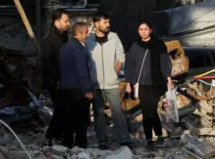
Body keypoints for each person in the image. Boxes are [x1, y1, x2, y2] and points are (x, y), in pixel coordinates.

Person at [124, 21, 173, 150]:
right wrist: (128, 83)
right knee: (147, 112)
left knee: (151, 110)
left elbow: (165, 62)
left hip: (156, 83)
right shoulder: (135, 47)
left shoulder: (159, 45)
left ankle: (157, 136)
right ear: (138, 31)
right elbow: (129, 66)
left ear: (151, 30)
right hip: (141, 84)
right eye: (141, 29)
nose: (143, 32)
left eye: (146, 29)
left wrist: (169, 78)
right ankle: (151, 139)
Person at [86, 11, 131, 149]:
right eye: (105, 22)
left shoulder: (114, 37)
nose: (108, 25)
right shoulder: (88, 40)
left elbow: (121, 56)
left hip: (111, 83)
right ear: (96, 23)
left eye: (108, 22)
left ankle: (124, 138)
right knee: (99, 114)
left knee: (117, 111)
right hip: (96, 84)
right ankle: (102, 141)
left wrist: (115, 72)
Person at [59, 22, 94, 149]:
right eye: (86, 32)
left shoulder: (65, 47)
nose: (88, 35)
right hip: (79, 89)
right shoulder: (80, 49)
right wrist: (88, 91)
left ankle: (67, 142)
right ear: (79, 33)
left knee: (69, 117)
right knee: (81, 119)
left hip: (66, 88)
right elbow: (82, 72)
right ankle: (80, 144)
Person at [40, 9, 70, 146]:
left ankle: (59, 135)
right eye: (65, 21)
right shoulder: (50, 40)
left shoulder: (64, 37)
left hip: (64, 80)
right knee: (61, 108)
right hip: (55, 81)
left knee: (65, 108)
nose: (68, 24)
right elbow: (45, 63)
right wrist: (55, 79)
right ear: (56, 22)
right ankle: (51, 135)